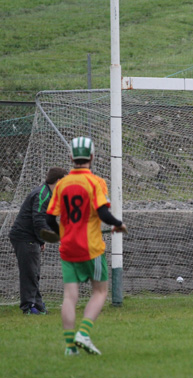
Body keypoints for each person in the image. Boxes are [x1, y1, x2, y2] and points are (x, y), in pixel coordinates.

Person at [46, 136, 127, 356]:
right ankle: (84, 332)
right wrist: (118, 224)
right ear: (91, 157)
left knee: (69, 297)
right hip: (91, 248)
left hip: (68, 248)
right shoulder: (95, 182)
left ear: (71, 157)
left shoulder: (61, 184)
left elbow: (49, 218)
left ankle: (70, 347)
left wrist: (60, 235)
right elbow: (103, 213)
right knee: (100, 292)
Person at [9, 167, 68, 315]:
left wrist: (42, 240)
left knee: (34, 272)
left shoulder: (49, 194)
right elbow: (39, 221)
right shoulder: (42, 194)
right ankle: (28, 306)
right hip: (24, 237)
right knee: (29, 272)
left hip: (31, 237)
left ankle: (38, 304)